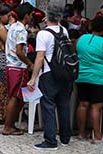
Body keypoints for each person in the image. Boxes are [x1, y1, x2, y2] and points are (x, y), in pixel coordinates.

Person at [27, 10, 73, 150]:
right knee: (64, 105)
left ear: (47, 18)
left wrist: (33, 78)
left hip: (49, 73)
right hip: (65, 73)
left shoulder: (43, 34)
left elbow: (40, 57)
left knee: (48, 106)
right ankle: (65, 138)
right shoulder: (64, 30)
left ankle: (50, 141)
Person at [75, 16, 103, 141]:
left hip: (81, 76)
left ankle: (81, 133)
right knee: (96, 107)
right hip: (99, 78)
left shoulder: (81, 39)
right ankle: (97, 135)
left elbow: (76, 54)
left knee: (83, 104)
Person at [2, 3, 34, 136]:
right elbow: (20, 52)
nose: (32, 17)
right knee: (15, 97)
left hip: (10, 65)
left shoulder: (13, 26)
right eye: (31, 14)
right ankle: (8, 126)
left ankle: (11, 124)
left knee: (18, 97)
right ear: (26, 16)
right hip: (18, 67)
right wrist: (30, 63)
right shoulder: (21, 30)